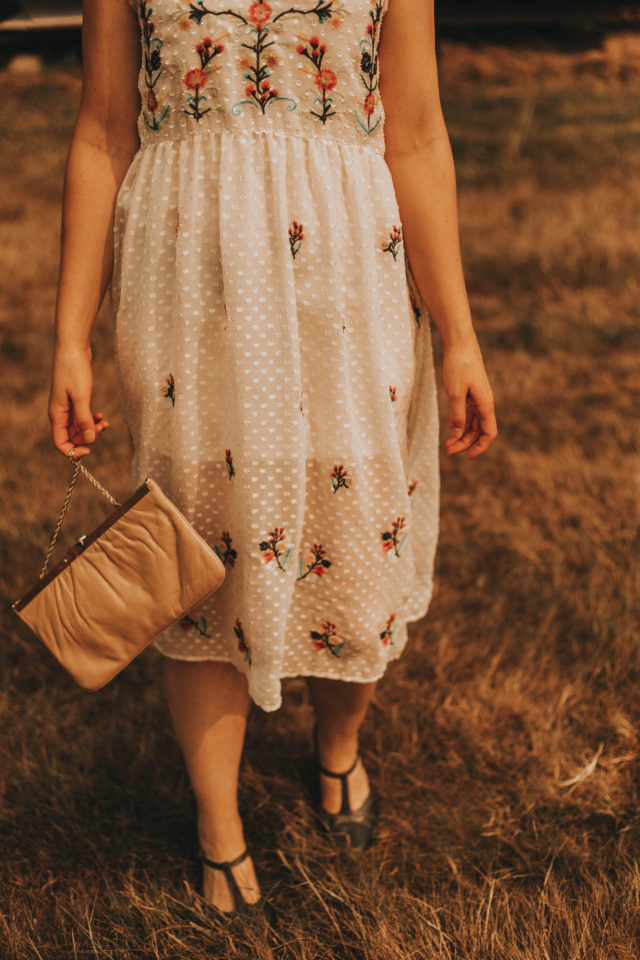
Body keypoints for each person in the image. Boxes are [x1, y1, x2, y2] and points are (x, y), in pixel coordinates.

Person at [48, 0, 497, 919]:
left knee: (357, 525)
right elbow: (101, 133)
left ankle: (338, 750)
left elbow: (414, 135)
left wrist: (459, 336)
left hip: (349, 272)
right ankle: (220, 829)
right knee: (197, 544)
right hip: (188, 280)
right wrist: (71, 337)